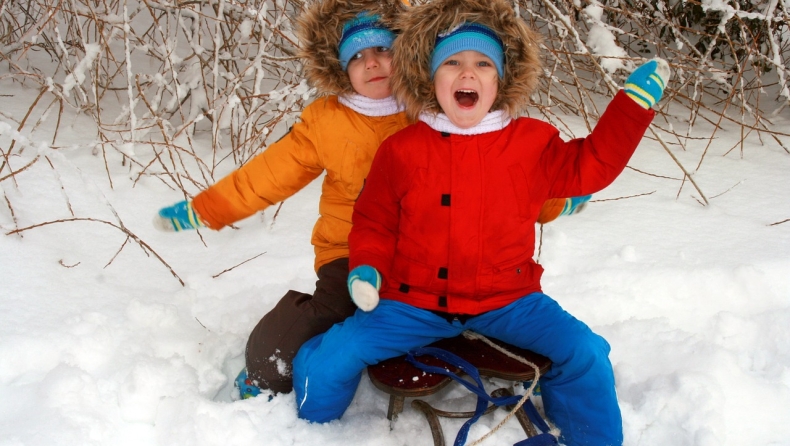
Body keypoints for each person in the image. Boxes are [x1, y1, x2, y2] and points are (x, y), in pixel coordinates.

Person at [154, 0, 589, 400]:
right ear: (341, 67)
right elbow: (269, 175)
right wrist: (208, 208)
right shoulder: (327, 121)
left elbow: (497, 183)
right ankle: (269, 366)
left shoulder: (434, 110)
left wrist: (556, 201)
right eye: (357, 56)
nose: (373, 63)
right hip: (350, 248)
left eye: (383, 49)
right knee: (340, 309)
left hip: (430, 253)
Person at [291, 0, 669, 445]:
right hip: (412, 302)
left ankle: (590, 437)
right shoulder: (403, 149)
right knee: (331, 357)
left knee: (585, 352)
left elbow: (592, 166)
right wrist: (367, 269)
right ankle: (310, 431)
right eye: (451, 62)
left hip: (510, 300)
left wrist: (630, 107)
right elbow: (373, 221)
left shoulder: (531, 142)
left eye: (482, 64)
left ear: (499, 80)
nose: (467, 73)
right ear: (431, 77)